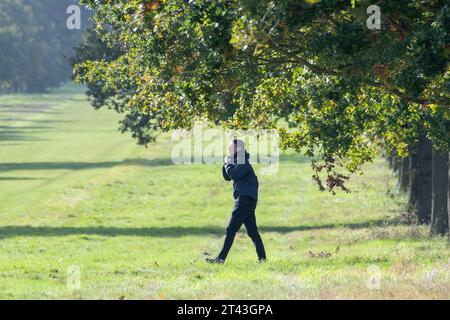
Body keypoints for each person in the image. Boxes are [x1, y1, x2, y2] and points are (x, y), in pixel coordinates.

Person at [206, 139, 267, 264]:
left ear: (238, 149)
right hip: (247, 200)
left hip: (244, 200)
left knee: (231, 230)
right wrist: (226, 163)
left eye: (230, 148)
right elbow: (227, 177)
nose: (228, 150)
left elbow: (233, 174)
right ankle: (262, 259)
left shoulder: (243, 162)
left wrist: (227, 163)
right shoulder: (238, 161)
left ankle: (221, 259)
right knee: (252, 232)